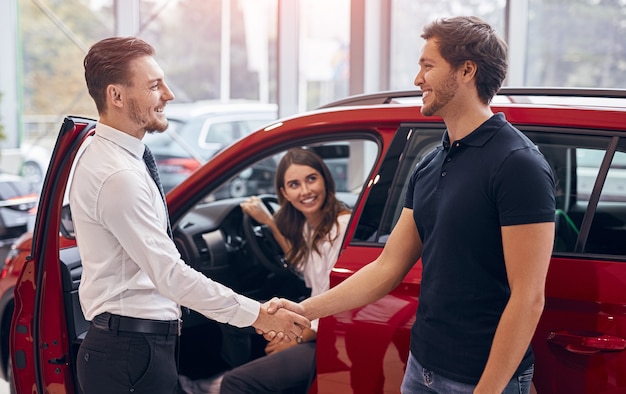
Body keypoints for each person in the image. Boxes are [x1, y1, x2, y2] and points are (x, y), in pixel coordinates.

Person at [271, 16, 556, 394]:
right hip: (421, 370)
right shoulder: (430, 162)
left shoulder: (517, 164)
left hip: (482, 381)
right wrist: (303, 310)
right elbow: (387, 268)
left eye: (428, 65)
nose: (417, 79)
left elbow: (528, 299)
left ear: (466, 70)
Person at [69, 36, 308, 394]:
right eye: (154, 86)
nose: (169, 94)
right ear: (116, 96)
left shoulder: (110, 153)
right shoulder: (118, 176)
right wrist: (258, 315)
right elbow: (170, 275)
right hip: (129, 356)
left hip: (134, 350)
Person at [219, 148, 352, 393]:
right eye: (294, 184)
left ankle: (229, 381)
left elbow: (340, 301)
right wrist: (269, 222)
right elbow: (301, 263)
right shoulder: (311, 225)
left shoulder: (339, 228)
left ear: (325, 179)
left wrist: (299, 337)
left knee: (234, 384)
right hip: (315, 319)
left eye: (311, 179)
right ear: (284, 193)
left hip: (329, 333)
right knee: (234, 317)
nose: (305, 191)